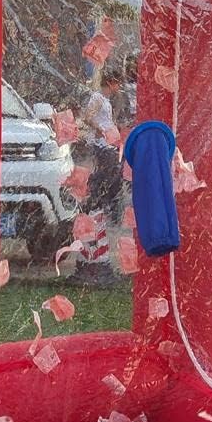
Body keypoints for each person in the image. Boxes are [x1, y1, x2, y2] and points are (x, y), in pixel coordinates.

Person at [75, 68, 125, 281]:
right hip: (102, 144)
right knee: (108, 174)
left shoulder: (106, 99)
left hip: (109, 144)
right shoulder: (97, 97)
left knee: (114, 174)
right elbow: (86, 116)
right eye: (117, 83)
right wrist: (99, 129)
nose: (118, 88)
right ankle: (99, 199)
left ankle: (105, 202)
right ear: (111, 82)